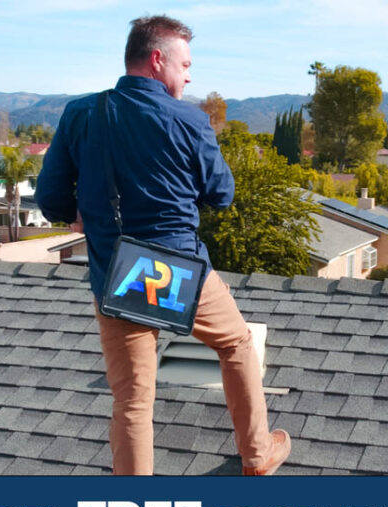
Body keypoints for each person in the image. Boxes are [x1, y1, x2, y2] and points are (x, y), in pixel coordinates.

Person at [35, 15, 290, 476]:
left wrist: (81, 213)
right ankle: (257, 455)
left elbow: (50, 198)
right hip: (180, 273)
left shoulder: (80, 114)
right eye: (186, 64)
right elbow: (221, 194)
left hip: (119, 275)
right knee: (235, 344)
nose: (189, 75)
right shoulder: (189, 119)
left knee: (132, 402)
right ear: (157, 61)